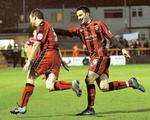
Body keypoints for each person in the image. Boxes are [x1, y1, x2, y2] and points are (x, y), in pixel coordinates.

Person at [55, 6, 145, 115]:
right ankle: (130, 83)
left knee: (89, 79)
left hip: (101, 57)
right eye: (77, 16)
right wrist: (52, 29)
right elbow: (66, 32)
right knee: (104, 87)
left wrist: (122, 48)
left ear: (87, 14)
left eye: (80, 15)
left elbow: (111, 37)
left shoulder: (98, 24)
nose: (79, 18)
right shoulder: (80, 30)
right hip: (96, 59)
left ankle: (90, 108)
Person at [10, 8, 82, 114]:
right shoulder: (50, 27)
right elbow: (56, 46)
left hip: (47, 55)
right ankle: (72, 84)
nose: (30, 21)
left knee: (30, 77)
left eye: (30, 19)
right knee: (50, 85)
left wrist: (29, 61)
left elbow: (37, 44)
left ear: (35, 17)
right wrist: (61, 60)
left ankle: (22, 106)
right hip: (56, 57)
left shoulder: (41, 26)